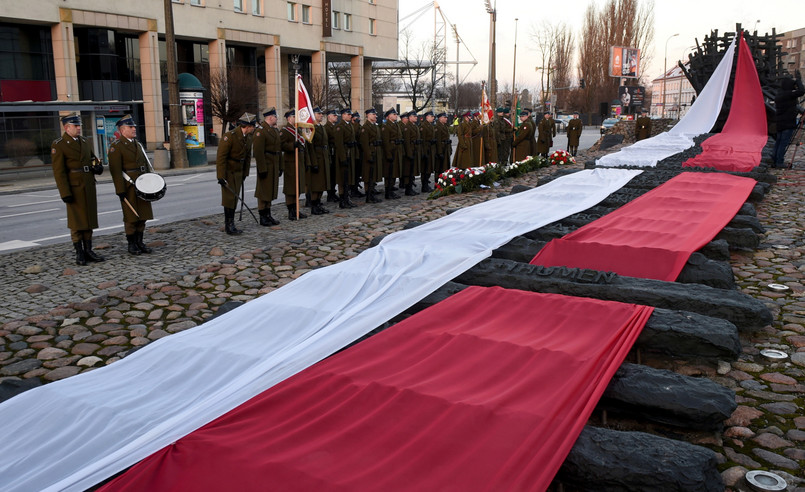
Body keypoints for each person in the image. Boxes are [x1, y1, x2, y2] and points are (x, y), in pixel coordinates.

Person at [51, 112, 104, 265]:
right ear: (67, 128)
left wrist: (97, 167)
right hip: (74, 187)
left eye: (79, 125)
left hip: (88, 184)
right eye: (76, 126)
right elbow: (59, 172)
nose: (79, 128)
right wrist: (65, 192)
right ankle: (79, 252)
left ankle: (88, 250)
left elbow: (93, 158)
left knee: (89, 219)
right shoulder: (59, 144)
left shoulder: (84, 141)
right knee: (76, 221)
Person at [108, 114, 154, 255]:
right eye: (130, 127)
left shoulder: (138, 144)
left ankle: (140, 242)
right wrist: (120, 190)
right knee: (131, 217)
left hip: (143, 183)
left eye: (134, 126)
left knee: (143, 215)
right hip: (129, 185)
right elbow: (116, 171)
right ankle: (131, 244)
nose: (134, 129)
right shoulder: (116, 147)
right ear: (122, 130)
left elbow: (145, 164)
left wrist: (151, 182)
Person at [216, 112, 256, 235]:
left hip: (239, 172)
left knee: (234, 199)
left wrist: (245, 173)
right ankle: (229, 225)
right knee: (229, 199)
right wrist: (221, 176)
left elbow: (248, 157)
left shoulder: (248, 137)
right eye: (253, 126)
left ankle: (232, 223)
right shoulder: (230, 136)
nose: (254, 128)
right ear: (248, 126)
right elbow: (221, 158)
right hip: (229, 172)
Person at [252, 107, 282, 226]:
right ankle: (262, 215)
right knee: (263, 191)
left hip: (273, 164)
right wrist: (262, 168)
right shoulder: (261, 131)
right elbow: (258, 152)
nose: (276, 118)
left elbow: (278, 149)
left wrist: (280, 166)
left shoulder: (273, 130)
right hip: (266, 164)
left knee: (270, 190)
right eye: (275, 116)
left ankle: (268, 214)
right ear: (270, 117)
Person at [280, 109, 309, 220]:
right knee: (291, 188)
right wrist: (292, 145)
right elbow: (281, 144)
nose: (295, 118)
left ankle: (296, 209)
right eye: (293, 116)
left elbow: (304, 146)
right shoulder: (285, 130)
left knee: (298, 186)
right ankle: (291, 210)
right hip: (290, 162)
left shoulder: (298, 130)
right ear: (288, 118)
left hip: (299, 160)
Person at [773, 70, 804, 168]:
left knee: (779, 142)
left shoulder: (779, 95)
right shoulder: (788, 94)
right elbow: (802, 91)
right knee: (783, 143)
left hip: (780, 123)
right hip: (788, 122)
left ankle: (775, 160)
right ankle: (779, 162)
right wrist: (798, 80)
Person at [308, 107, 332, 214]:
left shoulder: (321, 127)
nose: (321, 115)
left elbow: (326, 144)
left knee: (322, 183)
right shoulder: (310, 128)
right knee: (316, 184)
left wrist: (328, 159)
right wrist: (313, 162)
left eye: (321, 114)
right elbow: (310, 147)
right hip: (317, 158)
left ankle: (318, 204)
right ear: (313, 115)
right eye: (319, 114)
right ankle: (314, 206)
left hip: (324, 158)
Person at [359, 108, 383, 203]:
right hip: (370, 154)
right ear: (368, 115)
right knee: (369, 175)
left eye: (375, 114)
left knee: (374, 174)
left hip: (376, 152)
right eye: (373, 114)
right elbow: (364, 144)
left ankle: (372, 193)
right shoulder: (365, 127)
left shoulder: (375, 126)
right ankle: (368, 195)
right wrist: (369, 156)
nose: (375, 116)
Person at [381, 108, 402, 199]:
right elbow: (386, 141)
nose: (395, 116)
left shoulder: (396, 125)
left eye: (396, 114)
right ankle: (388, 192)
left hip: (396, 150)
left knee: (394, 171)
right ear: (389, 116)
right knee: (388, 173)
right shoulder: (386, 126)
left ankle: (391, 189)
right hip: (390, 151)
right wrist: (388, 154)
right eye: (394, 114)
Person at [402, 111, 421, 195]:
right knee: (408, 171)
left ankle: (410, 188)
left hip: (415, 150)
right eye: (414, 116)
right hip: (410, 152)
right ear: (409, 117)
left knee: (412, 171)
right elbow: (407, 142)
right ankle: (408, 189)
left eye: (416, 116)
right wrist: (409, 153)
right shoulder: (407, 127)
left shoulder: (415, 126)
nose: (416, 117)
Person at [324, 109, 339, 202]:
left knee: (334, 175)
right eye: (334, 115)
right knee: (331, 175)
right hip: (330, 152)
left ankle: (333, 192)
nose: (336, 117)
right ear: (329, 117)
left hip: (335, 153)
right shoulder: (326, 127)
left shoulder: (334, 127)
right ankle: (330, 194)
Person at [420, 111, 436, 192]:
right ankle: (424, 186)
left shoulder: (430, 125)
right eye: (432, 116)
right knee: (425, 169)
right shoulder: (423, 126)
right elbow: (422, 140)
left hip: (430, 149)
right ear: (427, 117)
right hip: (426, 150)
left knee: (429, 168)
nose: (433, 118)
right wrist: (424, 152)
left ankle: (426, 185)